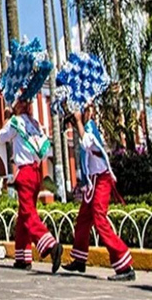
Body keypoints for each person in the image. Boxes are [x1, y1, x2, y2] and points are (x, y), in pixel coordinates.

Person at [54, 53, 135, 281]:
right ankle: (79, 259)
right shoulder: (86, 126)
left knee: (99, 219)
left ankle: (124, 265)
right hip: (94, 181)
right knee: (83, 221)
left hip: (101, 180)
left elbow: (89, 145)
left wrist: (79, 121)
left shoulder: (89, 127)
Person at [0, 38, 61, 272]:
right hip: (37, 173)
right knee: (23, 216)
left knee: (28, 214)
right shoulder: (34, 122)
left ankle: (50, 245)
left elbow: (1, 137)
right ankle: (22, 257)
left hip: (24, 173)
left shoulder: (15, 122)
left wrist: (6, 116)